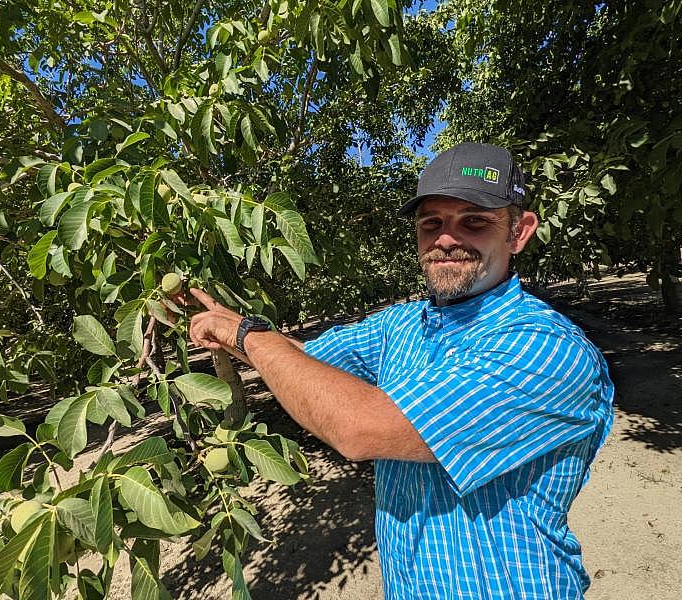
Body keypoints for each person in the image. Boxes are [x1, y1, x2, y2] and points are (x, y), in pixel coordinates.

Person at [188, 142, 614, 599]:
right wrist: (233, 331)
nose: (446, 239)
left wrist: (248, 336)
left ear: (519, 232)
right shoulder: (402, 324)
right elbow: (302, 360)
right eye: (431, 223)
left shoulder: (545, 350)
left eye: (474, 221)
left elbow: (359, 429)